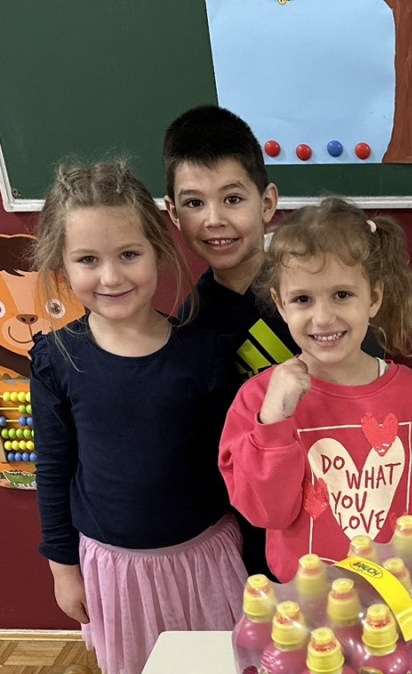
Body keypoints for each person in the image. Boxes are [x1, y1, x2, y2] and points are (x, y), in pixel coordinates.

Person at [31, 161, 247, 674]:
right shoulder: (58, 359)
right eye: (88, 260)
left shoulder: (203, 353)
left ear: (158, 250)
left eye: (128, 254)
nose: (111, 276)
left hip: (206, 557)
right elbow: (53, 468)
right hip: (116, 568)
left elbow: (234, 463)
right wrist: (62, 567)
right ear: (62, 265)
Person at [218, 198, 412, 580]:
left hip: (405, 594)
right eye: (303, 299)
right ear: (281, 305)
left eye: (341, 295)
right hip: (311, 599)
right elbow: (267, 512)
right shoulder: (259, 400)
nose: (323, 317)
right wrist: (273, 422)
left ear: (373, 297)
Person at [161, 104, 291, 578]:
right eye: (194, 203)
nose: (214, 219)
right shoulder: (188, 327)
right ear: (173, 213)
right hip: (256, 529)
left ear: (267, 203)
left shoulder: (315, 292)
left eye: (232, 198)